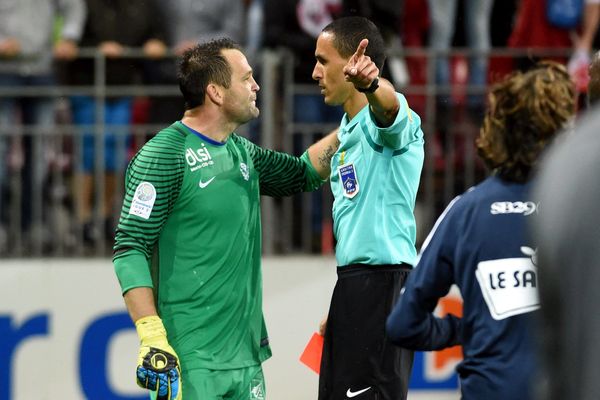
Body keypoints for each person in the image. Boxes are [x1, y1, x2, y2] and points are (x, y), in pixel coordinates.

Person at [112, 38, 339, 400]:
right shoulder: (164, 155)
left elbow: (302, 173)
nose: (256, 86)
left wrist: (357, 123)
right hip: (191, 359)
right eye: (246, 78)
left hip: (245, 358)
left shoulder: (241, 151)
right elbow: (129, 248)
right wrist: (151, 334)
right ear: (216, 92)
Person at [386, 61, 576, 400]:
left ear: (499, 129)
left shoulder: (466, 211)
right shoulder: (581, 207)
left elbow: (403, 323)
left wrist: (462, 328)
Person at [312, 16, 424, 400]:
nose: (314, 72)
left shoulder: (390, 122)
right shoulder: (347, 132)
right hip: (355, 285)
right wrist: (346, 294)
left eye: (323, 61)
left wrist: (373, 85)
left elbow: (390, 110)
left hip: (384, 285)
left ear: (353, 62)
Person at [59, 0, 168, 247]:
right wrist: (96, 47)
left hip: (122, 85)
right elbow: (69, 34)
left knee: (114, 154)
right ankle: (82, 220)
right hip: (87, 84)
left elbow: (154, 32)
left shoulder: (142, 6)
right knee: (87, 153)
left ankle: (106, 217)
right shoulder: (85, 4)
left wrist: (155, 42)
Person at [0, 0, 86, 253]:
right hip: (3, 71)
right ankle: (3, 225)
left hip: (42, 69)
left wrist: (69, 38)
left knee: (39, 154)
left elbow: (73, 7)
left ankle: (33, 225)